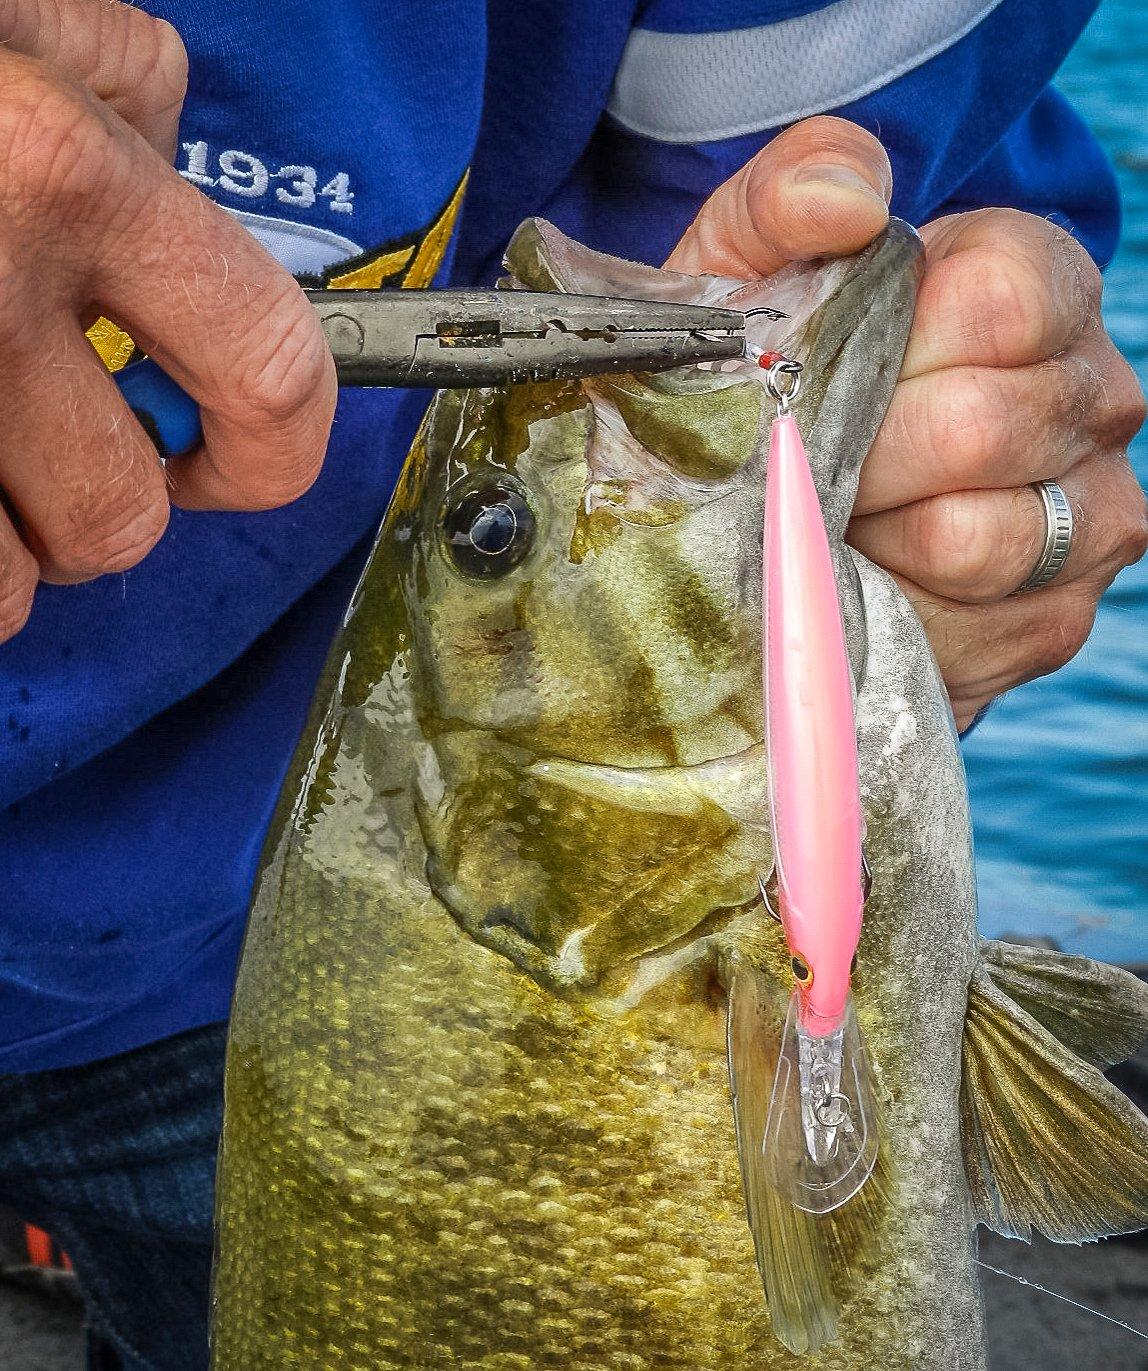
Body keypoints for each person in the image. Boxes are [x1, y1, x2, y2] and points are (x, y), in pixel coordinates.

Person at [0, 0, 1144, 1367]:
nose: (541, 265)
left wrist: (973, 446)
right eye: (499, 533)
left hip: (228, 964)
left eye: (493, 534)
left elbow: (833, 200)